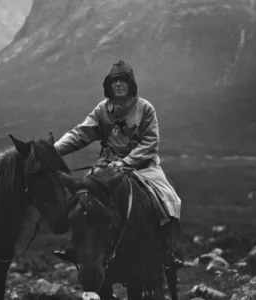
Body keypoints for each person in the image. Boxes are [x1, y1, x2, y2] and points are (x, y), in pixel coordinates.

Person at [54, 60, 183, 269]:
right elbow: (81, 133)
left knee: (169, 198)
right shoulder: (102, 110)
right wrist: (54, 150)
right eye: (115, 81)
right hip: (107, 165)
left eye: (123, 80)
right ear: (109, 85)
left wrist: (126, 162)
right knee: (82, 196)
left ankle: (167, 251)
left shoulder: (145, 108)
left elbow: (150, 142)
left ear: (130, 83)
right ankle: (76, 246)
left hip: (143, 167)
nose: (119, 84)